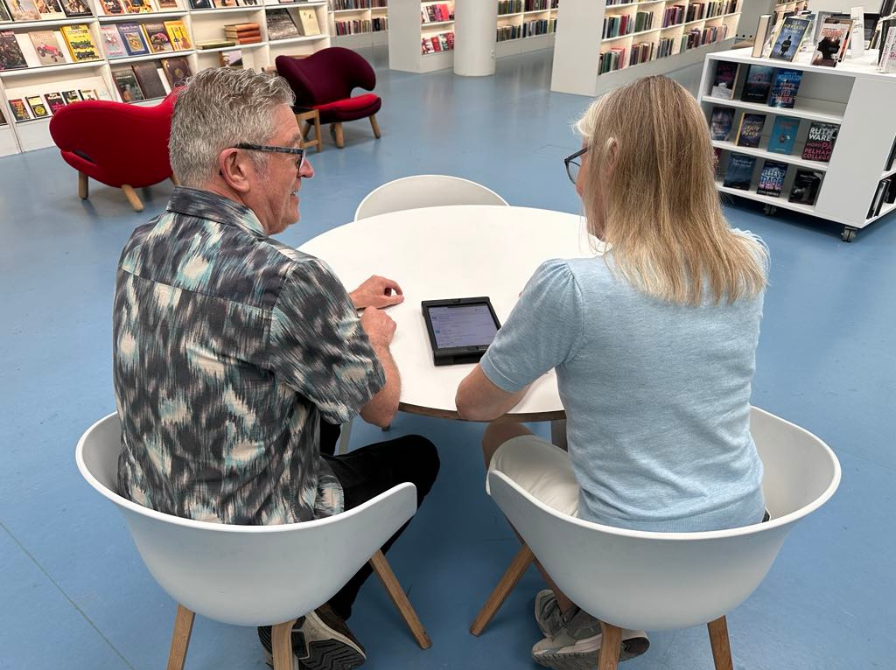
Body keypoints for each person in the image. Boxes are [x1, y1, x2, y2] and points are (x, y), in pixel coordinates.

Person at [113, 68, 439, 670]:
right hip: (263, 546)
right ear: (237, 167)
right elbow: (381, 408)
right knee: (419, 455)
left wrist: (338, 304)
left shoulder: (140, 244)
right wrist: (372, 336)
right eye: (294, 152)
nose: (306, 169)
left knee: (310, 404)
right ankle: (317, 608)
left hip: (162, 523)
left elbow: (228, 315)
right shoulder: (288, 278)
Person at [455, 75, 769, 670]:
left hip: (623, 557)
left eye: (582, 159)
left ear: (613, 161)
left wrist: (531, 332)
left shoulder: (571, 287)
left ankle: (583, 616)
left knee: (499, 436)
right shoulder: (748, 258)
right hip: (740, 538)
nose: (577, 182)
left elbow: (476, 405)